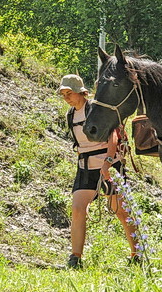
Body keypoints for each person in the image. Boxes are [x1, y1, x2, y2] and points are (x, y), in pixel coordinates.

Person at [58, 74, 139, 269]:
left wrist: (108, 163)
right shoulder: (71, 115)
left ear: (81, 92)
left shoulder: (96, 108)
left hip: (109, 165)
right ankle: (75, 258)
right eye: (63, 94)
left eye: (70, 93)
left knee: (120, 211)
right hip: (86, 167)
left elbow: (112, 136)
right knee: (77, 209)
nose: (67, 97)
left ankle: (137, 254)